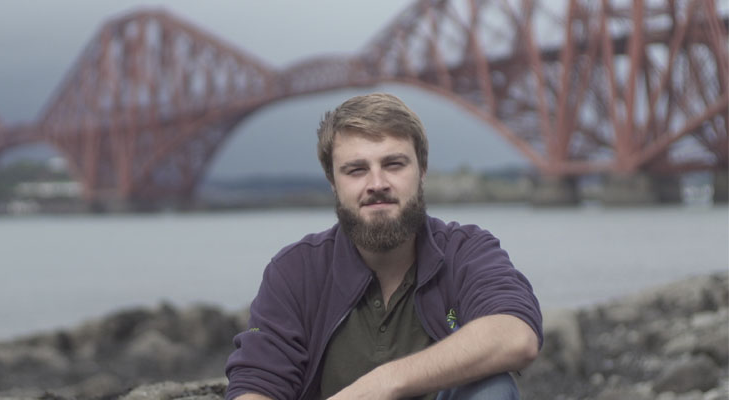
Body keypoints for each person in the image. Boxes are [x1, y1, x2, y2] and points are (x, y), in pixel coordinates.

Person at [225, 93, 543, 400]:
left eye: (394, 164)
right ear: (333, 182)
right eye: (356, 170)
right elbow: (255, 384)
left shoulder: (466, 252)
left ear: (422, 171)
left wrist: (384, 383)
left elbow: (515, 335)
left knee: (492, 388)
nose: (377, 184)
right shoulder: (295, 271)